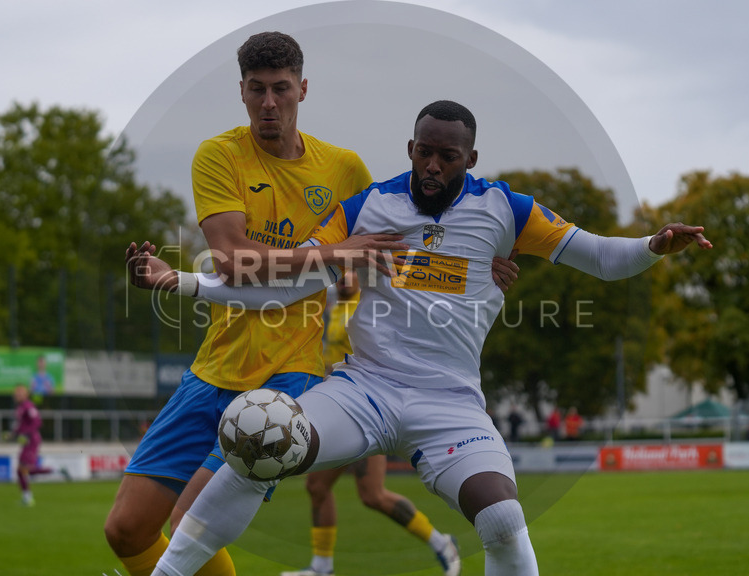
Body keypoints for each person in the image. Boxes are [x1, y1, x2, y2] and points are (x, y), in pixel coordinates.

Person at [131, 100, 711, 575]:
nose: (432, 166)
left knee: (504, 521)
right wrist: (180, 281)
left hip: (450, 402)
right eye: (423, 152)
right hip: (364, 389)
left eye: (447, 156)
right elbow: (284, 290)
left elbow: (602, 257)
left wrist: (654, 246)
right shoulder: (367, 207)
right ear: (410, 147)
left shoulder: (504, 209)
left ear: (470, 159)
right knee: (258, 444)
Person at [105, 33, 514, 576]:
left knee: (190, 524)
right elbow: (232, 260)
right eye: (256, 89)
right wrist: (334, 252)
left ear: (302, 88)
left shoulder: (343, 169)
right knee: (126, 529)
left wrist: (479, 263)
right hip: (213, 366)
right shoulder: (219, 155)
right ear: (242, 91)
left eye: (280, 88)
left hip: (292, 373)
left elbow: (410, 234)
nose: (268, 103)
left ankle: (396, 552)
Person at [282, 269, 460, 576]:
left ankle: (441, 543)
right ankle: (322, 567)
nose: (343, 278)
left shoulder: (369, 305)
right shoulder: (335, 308)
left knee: (373, 495)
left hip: (366, 406)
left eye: (351, 272)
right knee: (317, 487)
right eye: (340, 272)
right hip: (339, 406)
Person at [11, 384, 52, 506]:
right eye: (16, 393)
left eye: (20, 393)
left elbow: (37, 422)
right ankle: (27, 497)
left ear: (26, 394)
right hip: (26, 441)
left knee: (25, 468)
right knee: (21, 470)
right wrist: (13, 433)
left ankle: (57, 470)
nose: (17, 395)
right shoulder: (21, 407)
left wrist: (27, 434)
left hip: (32, 440)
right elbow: (22, 425)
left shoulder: (28, 406)